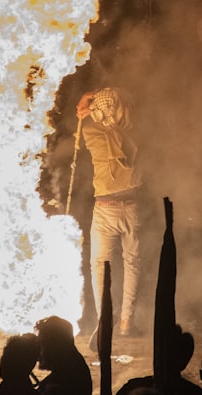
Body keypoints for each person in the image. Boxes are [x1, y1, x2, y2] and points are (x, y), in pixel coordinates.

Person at [76, 87, 141, 338]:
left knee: (100, 267)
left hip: (104, 208)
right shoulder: (135, 130)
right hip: (131, 206)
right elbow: (121, 99)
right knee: (132, 264)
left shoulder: (91, 131)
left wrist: (87, 96)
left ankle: (105, 320)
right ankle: (126, 323)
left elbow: (88, 112)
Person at [33, 315, 92, 395]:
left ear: (54, 344)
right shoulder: (72, 364)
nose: (38, 350)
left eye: (42, 343)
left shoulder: (61, 382)